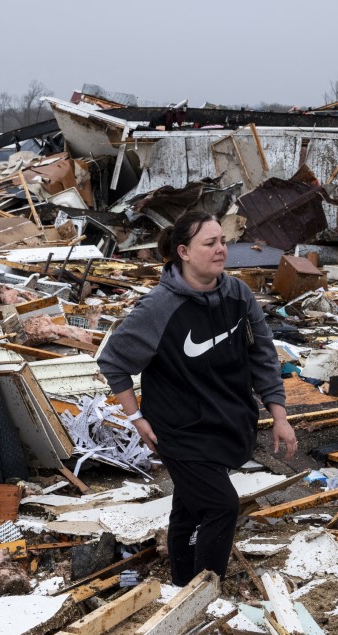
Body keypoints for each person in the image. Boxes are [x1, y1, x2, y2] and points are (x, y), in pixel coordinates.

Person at [97, 211, 297, 586]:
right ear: (184, 252)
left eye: (223, 241)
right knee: (222, 506)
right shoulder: (158, 307)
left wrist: (279, 414)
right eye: (211, 243)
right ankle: (205, 593)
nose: (222, 249)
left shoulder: (237, 294)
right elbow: (113, 361)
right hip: (178, 429)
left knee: (188, 508)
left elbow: (263, 354)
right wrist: (136, 418)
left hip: (223, 423)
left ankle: (181, 585)